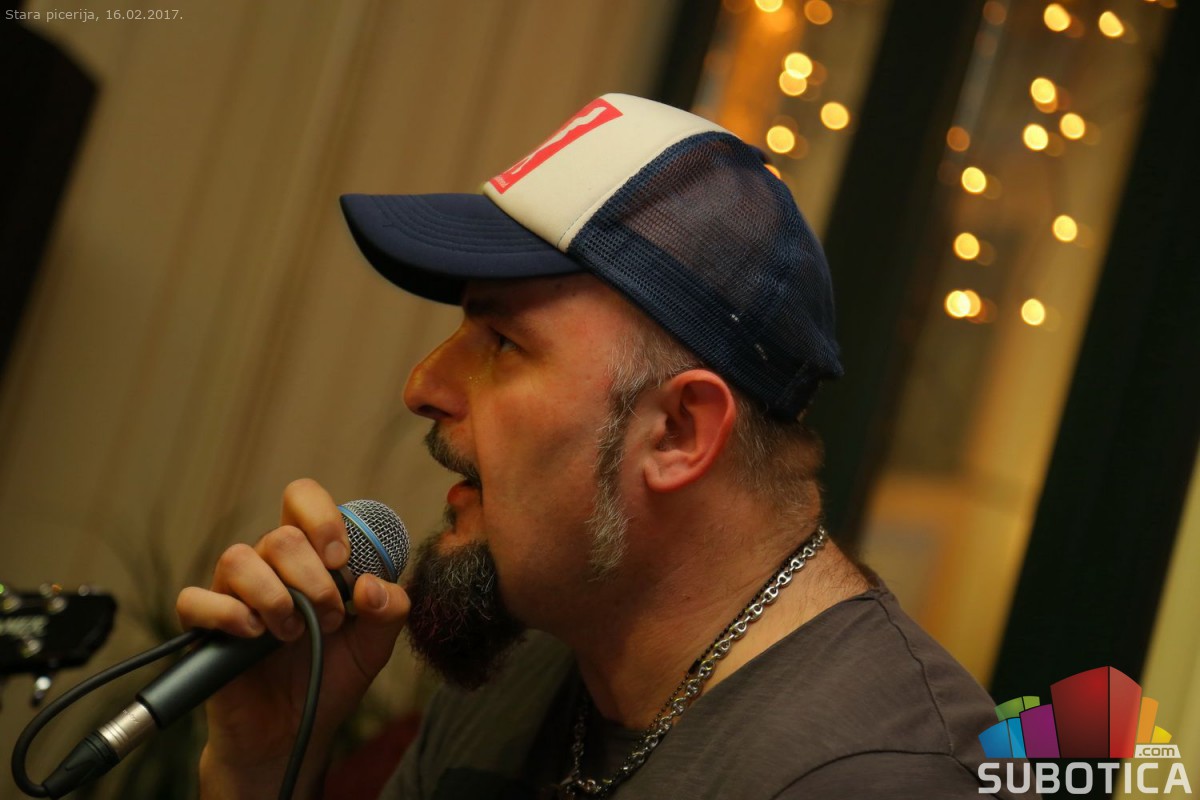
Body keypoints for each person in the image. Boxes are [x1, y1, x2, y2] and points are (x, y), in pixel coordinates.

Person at [176, 94, 1021, 799]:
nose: (424, 385)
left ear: (680, 431)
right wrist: (264, 771)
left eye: (503, 342)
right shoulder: (529, 669)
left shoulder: (887, 776)